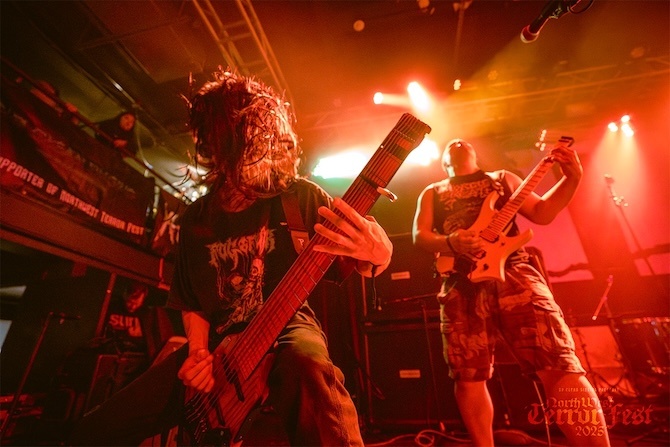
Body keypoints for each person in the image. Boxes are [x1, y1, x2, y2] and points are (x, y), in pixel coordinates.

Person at [165, 69, 392, 446]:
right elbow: (190, 300)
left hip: (287, 324)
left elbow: (366, 254)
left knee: (306, 363)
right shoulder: (196, 218)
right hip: (220, 345)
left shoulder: (299, 197)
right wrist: (199, 353)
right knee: (109, 422)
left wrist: (380, 251)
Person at [412, 138, 611, 446]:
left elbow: (542, 212)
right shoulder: (432, 192)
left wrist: (572, 179)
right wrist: (450, 242)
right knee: (468, 376)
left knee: (556, 361)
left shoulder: (502, 179)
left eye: (464, 140)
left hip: (515, 271)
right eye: (451, 143)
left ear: (476, 154)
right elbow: (420, 235)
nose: (458, 141)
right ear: (443, 162)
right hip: (460, 281)